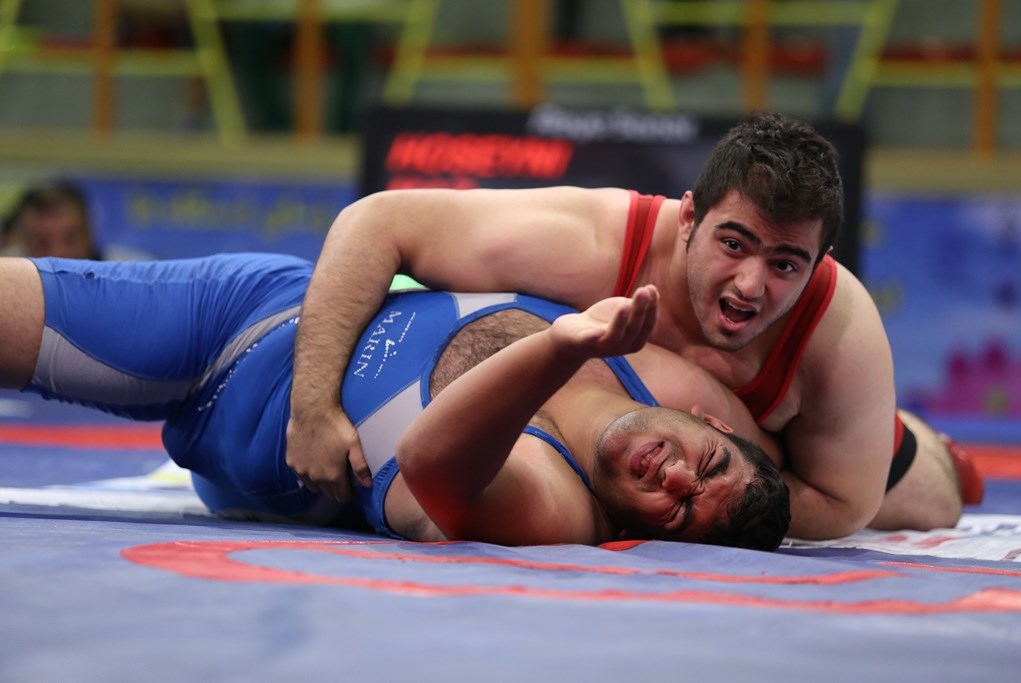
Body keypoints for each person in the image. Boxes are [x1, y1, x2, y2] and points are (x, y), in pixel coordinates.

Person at [287, 110, 977, 541]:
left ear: (820, 262)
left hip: (792, 453)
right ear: (688, 218)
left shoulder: (839, 332)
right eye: (733, 243)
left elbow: (845, 505)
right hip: (677, 433)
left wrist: (670, 498)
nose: (750, 285)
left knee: (932, 499)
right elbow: (377, 222)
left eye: (785, 264)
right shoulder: (600, 241)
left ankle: (921, 441)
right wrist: (312, 407)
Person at [0, 253, 789, 550]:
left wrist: (560, 348)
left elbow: (428, 462)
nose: (675, 478)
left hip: (251, 436)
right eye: (708, 464)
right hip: (266, 300)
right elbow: (384, 219)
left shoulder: (556, 509)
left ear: (639, 534)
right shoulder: (664, 366)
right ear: (711, 422)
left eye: (678, 513)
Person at [1, 182, 103, 259]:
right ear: (23, 241)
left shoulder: (111, 272)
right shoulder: (5, 269)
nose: (58, 253)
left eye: (70, 240)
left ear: (88, 236)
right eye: (42, 243)